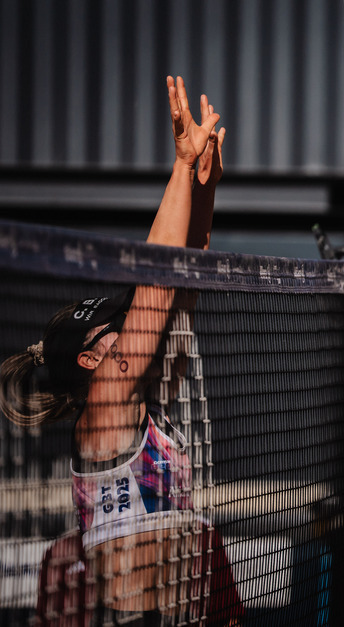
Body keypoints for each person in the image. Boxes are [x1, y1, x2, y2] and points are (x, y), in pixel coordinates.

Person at [1, 76, 241, 626]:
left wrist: (203, 185)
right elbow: (156, 290)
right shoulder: (106, 403)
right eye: (116, 325)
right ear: (90, 357)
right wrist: (180, 167)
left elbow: (182, 281)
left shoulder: (143, 397)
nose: (130, 327)